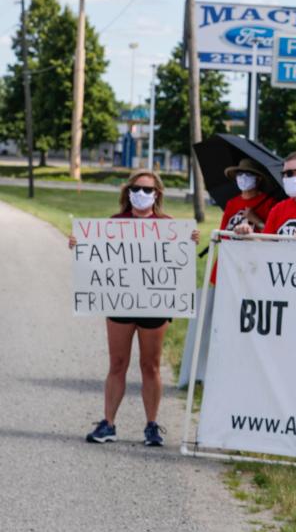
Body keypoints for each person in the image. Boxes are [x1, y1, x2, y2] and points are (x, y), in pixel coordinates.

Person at [69, 169, 200, 446]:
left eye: (148, 190)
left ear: (157, 195)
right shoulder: (114, 223)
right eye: (137, 188)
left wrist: (189, 243)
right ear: (128, 192)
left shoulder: (169, 226)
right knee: (117, 364)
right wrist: (80, 245)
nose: (142, 194)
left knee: (150, 365)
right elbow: (97, 260)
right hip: (120, 303)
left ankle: (151, 425)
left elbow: (178, 265)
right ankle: (108, 424)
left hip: (154, 305)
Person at [178, 158, 277, 388]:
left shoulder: (269, 203)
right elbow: (222, 234)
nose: (243, 179)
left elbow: (271, 233)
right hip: (225, 267)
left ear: (258, 179)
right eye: (239, 175)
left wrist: (256, 221)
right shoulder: (232, 203)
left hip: (252, 268)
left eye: (247, 175)